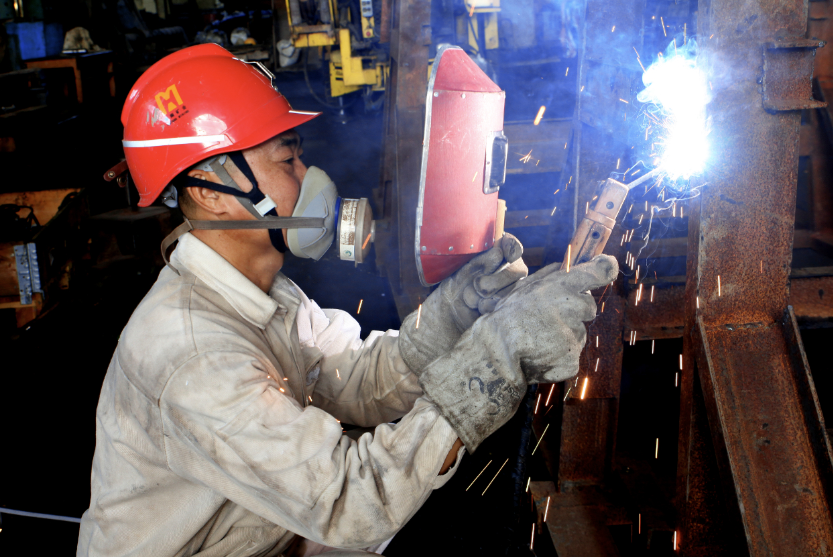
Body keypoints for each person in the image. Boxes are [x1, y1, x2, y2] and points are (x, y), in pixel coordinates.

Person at [77, 44, 617, 557]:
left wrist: (453, 315)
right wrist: (492, 364)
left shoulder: (259, 292)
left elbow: (354, 382)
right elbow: (353, 501)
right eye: (286, 161)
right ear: (210, 191)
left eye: (299, 157)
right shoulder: (196, 355)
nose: (308, 177)